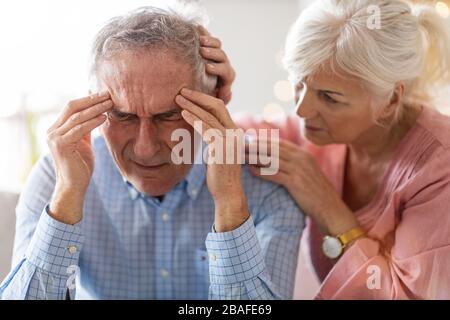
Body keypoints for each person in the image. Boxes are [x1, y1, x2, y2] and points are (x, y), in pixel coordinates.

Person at [0, 6, 303, 300]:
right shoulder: (58, 174)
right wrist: (67, 196)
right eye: (123, 116)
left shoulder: (264, 183)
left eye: (167, 116)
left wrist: (229, 203)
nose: (145, 148)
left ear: (211, 103)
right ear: (93, 106)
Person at [236, 0, 450, 299]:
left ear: (389, 101)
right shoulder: (316, 131)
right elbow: (239, 134)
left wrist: (326, 205)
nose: (301, 109)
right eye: (299, 83)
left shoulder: (440, 167)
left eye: (329, 97)